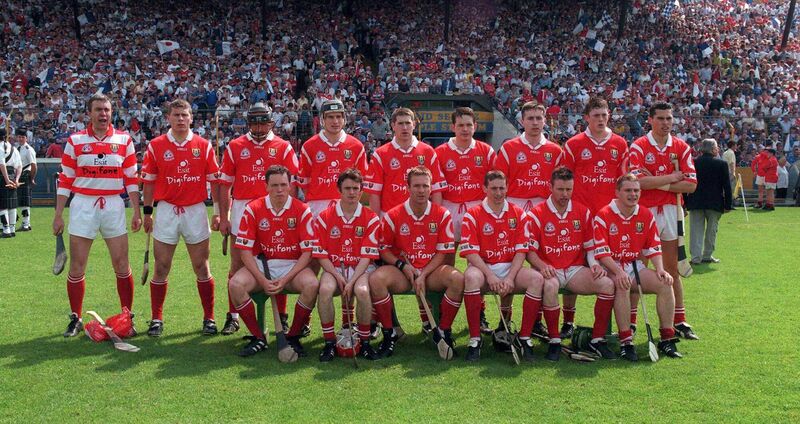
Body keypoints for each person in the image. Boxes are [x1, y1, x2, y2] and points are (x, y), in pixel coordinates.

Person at [53, 93, 142, 337]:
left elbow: (131, 178)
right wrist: (58, 215)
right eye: (98, 110)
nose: (103, 114)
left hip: (113, 204)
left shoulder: (124, 140)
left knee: (122, 264)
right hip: (83, 205)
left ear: (111, 113)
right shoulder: (75, 140)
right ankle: (76, 317)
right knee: (77, 266)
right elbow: (65, 180)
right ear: (89, 113)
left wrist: (136, 210)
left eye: (107, 110)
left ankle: (127, 316)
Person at [139, 99, 221, 337]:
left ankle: (209, 318)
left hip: (195, 210)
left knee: (201, 266)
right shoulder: (156, 145)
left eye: (185, 115)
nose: (181, 119)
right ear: (168, 118)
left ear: (191, 118)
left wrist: (216, 213)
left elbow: (214, 182)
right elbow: (149, 182)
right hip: (166, 210)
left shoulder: (203, 145)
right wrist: (147, 212)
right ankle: (157, 319)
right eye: (176, 115)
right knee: (161, 266)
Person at [527, 167, 626, 360]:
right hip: (550, 270)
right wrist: (542, 266)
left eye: (569, 190)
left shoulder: (583, 212)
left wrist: (594, 263)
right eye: (560, 189)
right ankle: (555, 341)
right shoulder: (536, 213)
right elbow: (530, 252)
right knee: (550, 287)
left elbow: (590, 247)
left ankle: (597, 340)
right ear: (550, 187)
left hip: (574, 270)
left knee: (606, 284)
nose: (565, 194)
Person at [218, 102, 299, 336]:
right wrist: (224, 217)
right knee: (236, 265)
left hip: (275, 211)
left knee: (277, 262)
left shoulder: (283, 146)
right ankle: (233, 316)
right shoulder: (235, 146)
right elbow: (225, 185)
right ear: (248, 123)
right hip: (244, 210)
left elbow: (291, 183)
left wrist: (287, 211)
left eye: (263, 121)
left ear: (271, 122)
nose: (259, 126)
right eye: (254, 122)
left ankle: (282, 317)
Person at [368, 166, 463, 359]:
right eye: (417, 186)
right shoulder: (393, 215)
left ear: (430, 189)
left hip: (431, 271)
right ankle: (389, 334)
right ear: (408, 188)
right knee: (377, 279)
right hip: (405, 272)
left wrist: (424, 274)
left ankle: (443, 332)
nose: (421, 190)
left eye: (425, 186)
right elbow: (383, 249)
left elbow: (443, 252)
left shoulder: (442, 214)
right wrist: (404, 266)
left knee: (457, 279)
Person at [228, 165, 318, 357]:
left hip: (293, 265)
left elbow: (307, 253)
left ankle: (292, 336)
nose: (279, 190)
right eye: (275, 185)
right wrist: (262, 280)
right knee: (235, 284)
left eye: (283, 185)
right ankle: (258, 337)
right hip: (262, 263)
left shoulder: (302, 210)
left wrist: (285, 280)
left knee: (312, 284)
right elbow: (244, 251)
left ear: (290, 186)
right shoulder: (253, 209)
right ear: (266, 186)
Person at [559, 96, 629, 339]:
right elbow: (564, 178)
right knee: (574, 265)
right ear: (586, 118)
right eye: (596, 115)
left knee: (613, 268)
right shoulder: (574, 143)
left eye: (604, 114)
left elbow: (624, 180)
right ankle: (568, 320)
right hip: (580, 216)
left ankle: (615, 325)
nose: (600, 119)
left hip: (609, 217)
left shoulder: (620, 144)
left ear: (609, 115)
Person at [629, 102, 699, 341]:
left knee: (671, 268)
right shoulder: (639, 146)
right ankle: (630, 321)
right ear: (650, 120)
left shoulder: (680, 146)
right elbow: (637, 182)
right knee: (636, 268)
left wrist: (657, 181)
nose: (666, 123)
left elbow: (690, 184)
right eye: (661, 118)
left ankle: (679, 320)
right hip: (642, 211)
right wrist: (671, 178)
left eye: (669, 118)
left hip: (670, 210)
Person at [592, 174, 682, 359]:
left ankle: (667, 338)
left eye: (636, 190)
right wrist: (618, 272)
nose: (633, 194)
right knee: (623, 285)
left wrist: (660, 269)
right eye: (628, 190)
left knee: (665, 283)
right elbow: (601, 252)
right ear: (617, 192)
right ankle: (626, 342)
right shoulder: (604, 214)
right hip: (610, 267)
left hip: (635, 265)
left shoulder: (645, 214)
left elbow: (653, 247)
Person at [459, 170, 543, 361]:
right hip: (483, 268)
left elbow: (522, 251)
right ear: (484, 189)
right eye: (494, 188)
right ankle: (475, 340)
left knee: (537, 279)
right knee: (470, 277)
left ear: (507, 188)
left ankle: (524, 338)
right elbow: (471, 253)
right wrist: (490, 276)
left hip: (510, 267)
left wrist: (510, 278)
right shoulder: (472, 215)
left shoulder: (519, 214)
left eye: (502, 188)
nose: (498, 193)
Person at [435, 106, 496, 333]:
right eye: (460, 125)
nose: (465, 129)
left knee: (477, 265)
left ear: (475, 127)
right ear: (452, 127)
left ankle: (479, 314)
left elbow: (493, 185)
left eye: (469, 125)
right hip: (450, 210)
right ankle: (442, 315)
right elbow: (437, 190)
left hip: (476, 211)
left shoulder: (487, 151)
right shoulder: (440, 152)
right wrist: (439, 215)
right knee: (445, 265)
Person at [313, 169, 382, 361]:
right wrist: (338, 277)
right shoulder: (325, 216)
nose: (352, 193)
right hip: (334, 267)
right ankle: (329, 343)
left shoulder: (371, 218)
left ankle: (365, 342)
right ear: (339, 190)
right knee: (325, 289)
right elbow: (320, 254)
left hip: (361, 267)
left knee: (361, 290)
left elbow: (367, 257)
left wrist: (351, 282)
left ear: (361, 191)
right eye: (347, 188)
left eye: (356, 189)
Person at [364, 107, 446, 215]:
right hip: (389, 216)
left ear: (414, 125)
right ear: (393, 126)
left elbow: (436, 189)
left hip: (421, 216)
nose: (405, 127)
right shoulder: (380, 154)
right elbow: (374, 193)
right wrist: (376, 221)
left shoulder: (428, 152)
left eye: (408, 123)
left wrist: (435, 216)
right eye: (400, 123)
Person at [297, 99, 367, 218]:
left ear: (344, 119)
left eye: (338, 116)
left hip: (348, 205)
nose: (335, 121)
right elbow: (304, 181)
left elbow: (362, 180)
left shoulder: (356, 146)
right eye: (330, 117)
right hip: (317, 206)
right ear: (322, 120)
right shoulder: (309, 146)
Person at [494, 102, 563, 213]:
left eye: (538, 118)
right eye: (530, 118)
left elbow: (561, 183)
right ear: (522, 121)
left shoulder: (556, 151)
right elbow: (498, 181)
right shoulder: (508, 148)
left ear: (544, 121)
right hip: (514, 204)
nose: (535, 123)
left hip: (546, 205)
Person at [685, 139, 732, 265]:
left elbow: (687, 183)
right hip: (715, 203)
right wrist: (728, 204)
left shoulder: (694, 163)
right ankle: (707, 255)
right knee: (712, 231)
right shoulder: (722, 164)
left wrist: (685, 202)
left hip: (696, 201)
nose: (718, 149)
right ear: (713, 149)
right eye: (717, 147)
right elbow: (726, 186)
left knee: (695, 231)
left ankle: (695, 257)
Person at [1, 128, 22, 238]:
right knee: (12, 205)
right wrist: (16, 179)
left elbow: (2, 165)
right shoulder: (14, 149)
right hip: (12, 175)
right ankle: (12, 229)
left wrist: (6, 179)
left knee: (2, 205)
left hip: (2, 175)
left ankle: (6, 230)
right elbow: (19, 166)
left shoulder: (0, 147)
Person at [15, 128, 36, 232]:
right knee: (17, 200)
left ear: (26, 138)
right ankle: (16, 221)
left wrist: (31, 178)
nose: (21, 139)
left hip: (25, 174)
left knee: (25, 201)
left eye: (23, 137)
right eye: (19, 137)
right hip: (17, 175)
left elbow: (34, 165)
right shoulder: (16, 148)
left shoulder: (29, 149)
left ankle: (26, 224)